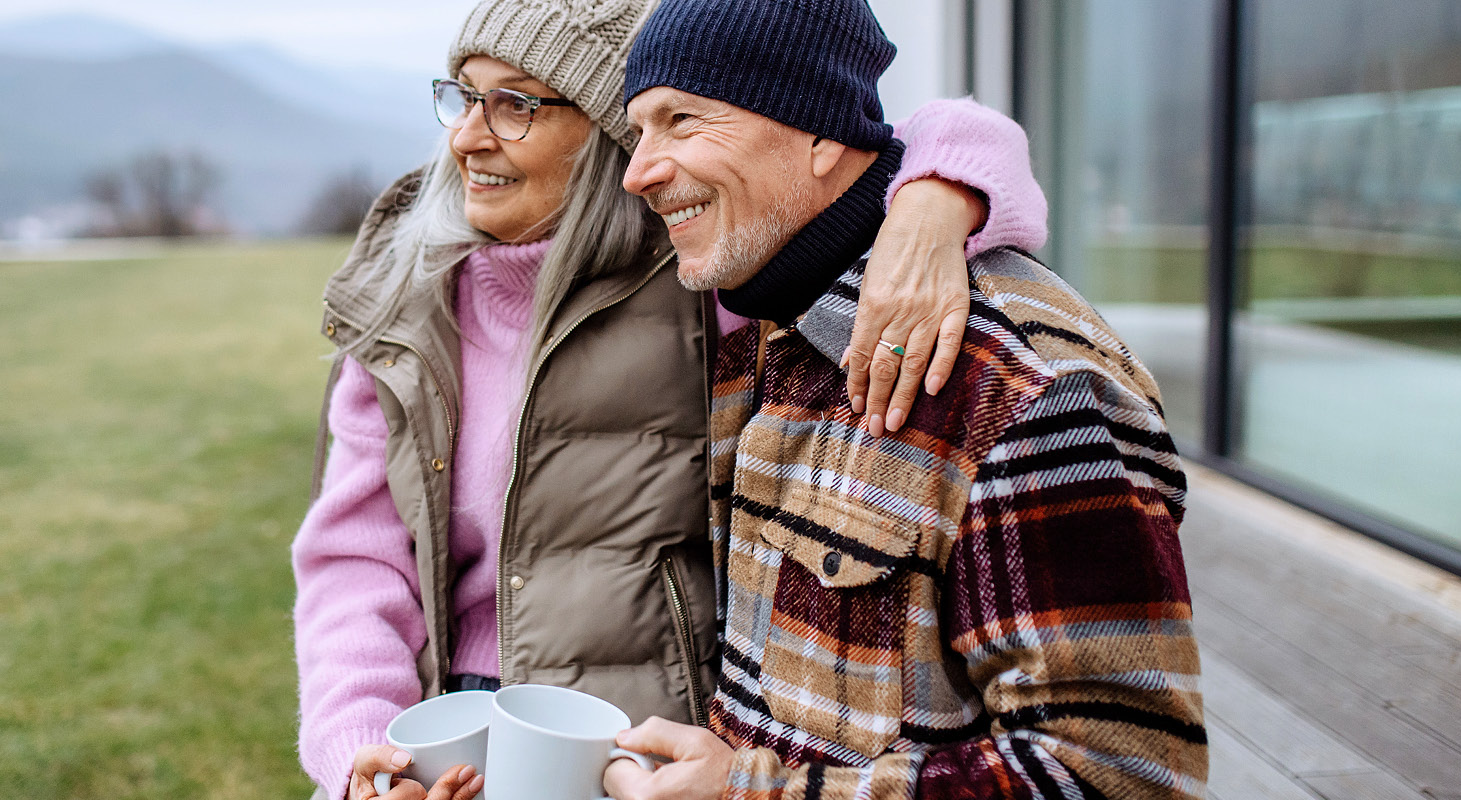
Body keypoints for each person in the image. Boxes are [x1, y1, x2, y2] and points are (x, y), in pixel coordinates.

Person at [292, 1, 1050, 799]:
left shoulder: (701, 276)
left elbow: (926, 132)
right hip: (445, 742)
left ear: (611, 133)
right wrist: (362, 753)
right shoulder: (408, 300)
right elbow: (354, 562)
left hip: (642, 753)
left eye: (516, 103)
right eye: (464, 95)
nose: (467, 137)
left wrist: (931, 208)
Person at [600, 0, 1207, 798]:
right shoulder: (761, 339)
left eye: (683, 119)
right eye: (640, 130)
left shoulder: (1022, 389)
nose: (638, 171)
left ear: (818, 132)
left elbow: (1122, 775)